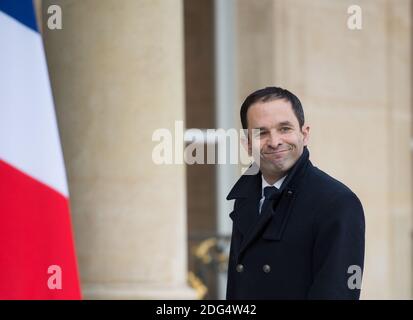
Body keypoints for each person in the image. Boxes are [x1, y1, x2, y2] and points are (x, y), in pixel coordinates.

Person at [226, 86, 365, 299]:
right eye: (262, 133)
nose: (274, 142)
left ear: (304, 134)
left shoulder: (338, 203)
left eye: (284, 128)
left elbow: (338, 293)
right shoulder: (245, 198)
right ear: (247, 144)